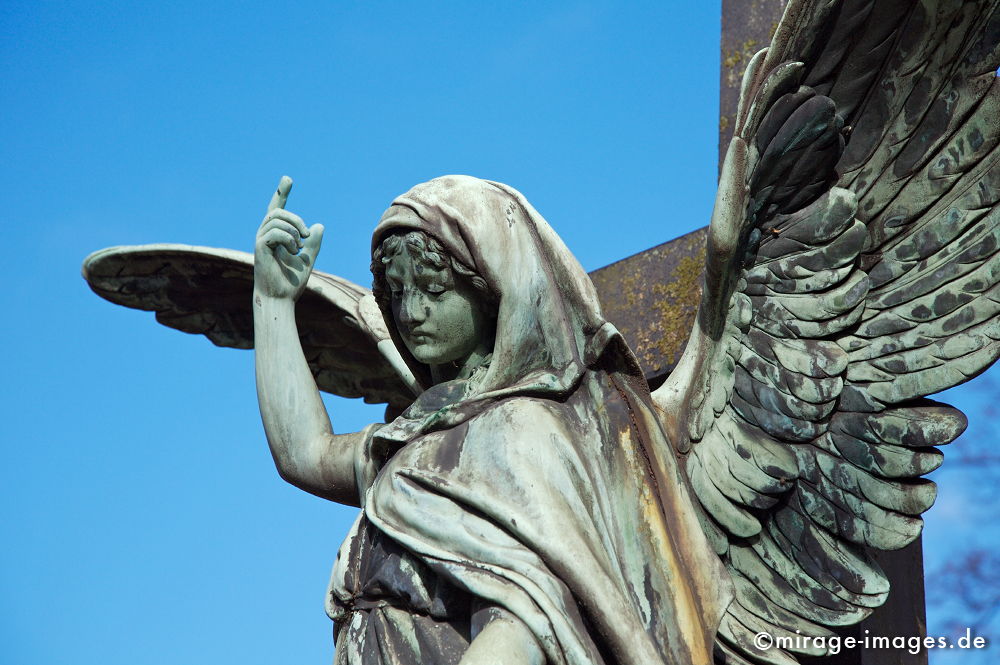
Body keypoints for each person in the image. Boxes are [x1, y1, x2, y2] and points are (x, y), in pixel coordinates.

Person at [252, 175, 730, 665]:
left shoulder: (530, 429)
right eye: (397, 292)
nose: (411, 311)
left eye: (434, 288)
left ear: (491, 290)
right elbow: (302, 453)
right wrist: (273, 300)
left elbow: (535, 615)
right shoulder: (419, 435)